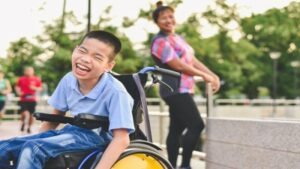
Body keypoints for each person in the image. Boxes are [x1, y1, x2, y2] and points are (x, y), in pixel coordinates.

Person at [0, 30, 135, 169]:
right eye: (82, 51)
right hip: (70, 132)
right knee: (5, 147)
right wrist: (39, 139)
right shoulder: (69, 79)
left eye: (97, 57)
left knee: (32, 149)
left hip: (97, 136)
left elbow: (122, 139)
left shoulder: (116, 92)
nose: (85, 59)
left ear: (108, 66)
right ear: (75, 49)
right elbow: (55, 118)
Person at [150, 2, 221, 169]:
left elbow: (192, 60)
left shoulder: (177, 38)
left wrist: (212, 74)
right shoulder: (159, 41)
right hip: (174, 89)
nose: (168, 20)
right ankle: (185, 165)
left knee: (176, 128)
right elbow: (179, 65)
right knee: (197, 125)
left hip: (184, 88)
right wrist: (204, 76)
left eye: (170, 16)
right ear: (157, 22)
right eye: (163, 18)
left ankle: (171, 165)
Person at [15, 66, 43, 133]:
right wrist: (18, 92)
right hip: (23, 99)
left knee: (31, 114)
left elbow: (40, 88)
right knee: (24, 113)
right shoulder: (21, 79)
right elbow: (17, 86)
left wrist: (35, 88)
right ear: (25, 72)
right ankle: (23, 123)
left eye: (30, 70)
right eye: (27, 70)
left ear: (33, 71)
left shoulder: (36, 79)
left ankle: (29, 127)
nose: (29, 72)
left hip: (32, 99)